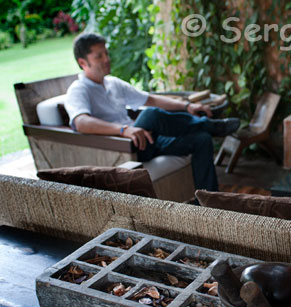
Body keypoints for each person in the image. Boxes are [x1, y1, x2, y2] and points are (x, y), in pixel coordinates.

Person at [65, 32, 240, 191]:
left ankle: (208, 200)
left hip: (144, 139)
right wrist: (124, 130)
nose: (106, 59)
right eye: (99, 56)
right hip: (123, 147)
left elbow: (150, 99)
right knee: (150, 114)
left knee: (201, 140)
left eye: (106, 53)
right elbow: (81, 123)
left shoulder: (113, 83)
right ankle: (208, 125)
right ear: (83, 63)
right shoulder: (79, 89)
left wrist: (188, 106)